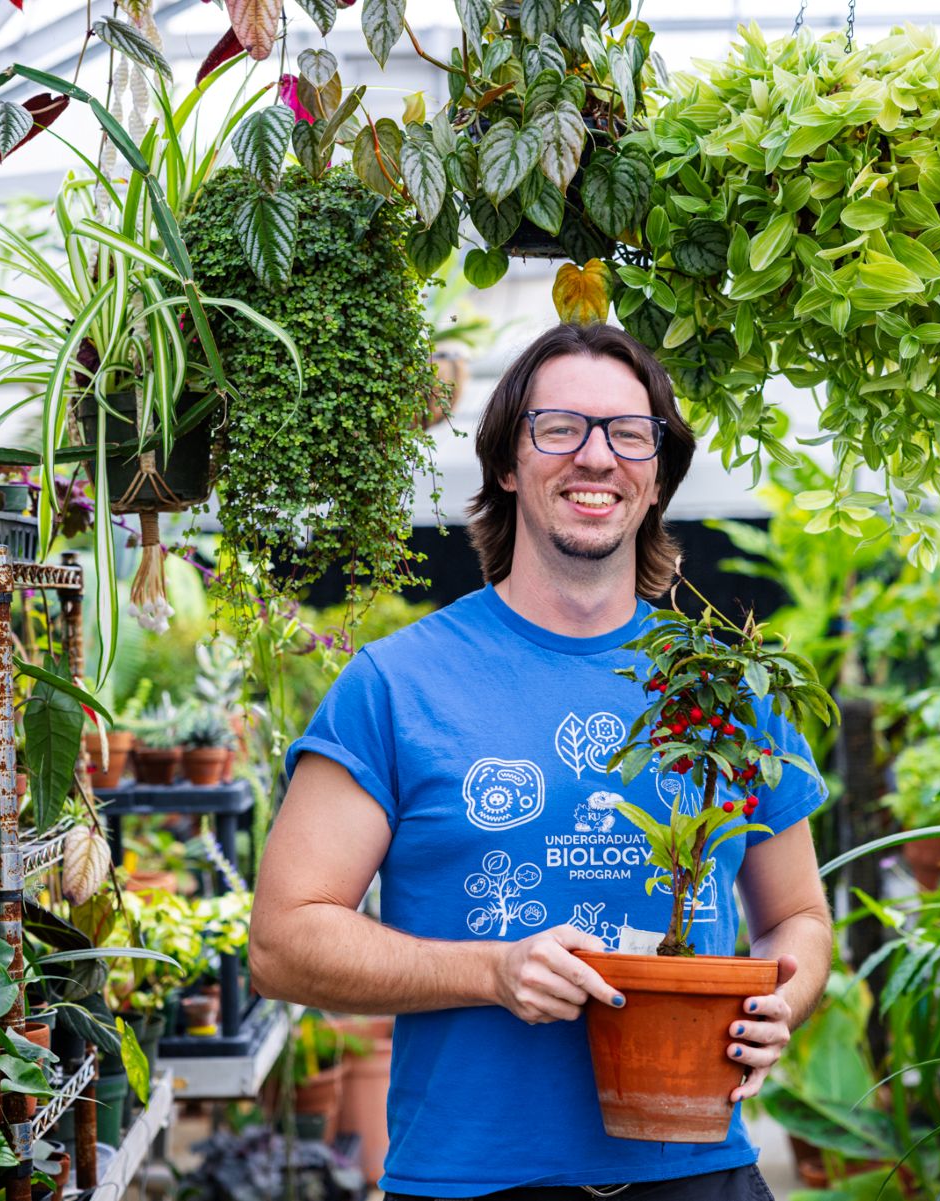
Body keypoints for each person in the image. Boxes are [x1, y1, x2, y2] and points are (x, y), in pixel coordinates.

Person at [250, 323, 834, 1200]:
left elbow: (799, 919)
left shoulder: (725, 688)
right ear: (508, 463)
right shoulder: (398, 684)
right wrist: (489, 969)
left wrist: (780, 1004)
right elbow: (283, 940)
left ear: (657, 476)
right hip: (469, 1180)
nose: (596, 456)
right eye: (559, 428)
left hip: (697, 1170)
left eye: (629, 434)